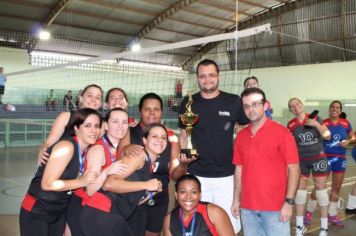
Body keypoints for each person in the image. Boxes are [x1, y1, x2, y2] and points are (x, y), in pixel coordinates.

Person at [178, 59, 249, 233]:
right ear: (197, 78)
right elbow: (183, 134)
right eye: (203, 76)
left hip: (226, 176)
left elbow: (245, 128)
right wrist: (185, 159)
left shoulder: (233, 101)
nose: (207, 79)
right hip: (196, 174)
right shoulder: (188, 102)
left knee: (230, 225)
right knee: (198, 225)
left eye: (211, 75)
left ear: (218, 76)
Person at [19, 108, 102, 236]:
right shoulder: (66, 146)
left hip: (58, 211)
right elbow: (47, 184)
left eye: (97, 126)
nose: (94, 130)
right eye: (87, 125)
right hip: (37, 210)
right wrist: (81, 181)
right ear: (76, 128)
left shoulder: (84, 150)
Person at [231, 87, 300, 236]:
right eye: (247, 106)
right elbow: (239, 169)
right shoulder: (241, 137)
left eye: (255, 104)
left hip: (276, 209)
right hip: (248, 209)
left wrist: (289, 202)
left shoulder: (282, 133)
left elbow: (294, 168)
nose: (251, 109)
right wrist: (236, 199)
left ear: (265, 105)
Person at [119, 93, 190, 236]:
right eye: (147, 109)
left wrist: (183, 165)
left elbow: (174, 174)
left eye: (156, 109)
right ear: (140, 111)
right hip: (133, 196)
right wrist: (127, 149)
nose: (152, 113)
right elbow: (121, 154)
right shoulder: (129, 130)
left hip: (158, 197)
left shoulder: (170, 138)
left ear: (161, 112)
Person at [79, 123, 167, 236]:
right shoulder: (139, 155)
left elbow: (132, 199)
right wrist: (146, 185)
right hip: (101, 212)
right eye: (154, 136)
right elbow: (109, 184)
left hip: (106, 214)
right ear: (144, 140)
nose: (160, 140)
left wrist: (150, 193)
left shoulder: (148, 164)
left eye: (163, 137)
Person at [67, 108, 129, 236]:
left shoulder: (120, 148)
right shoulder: (98, 150)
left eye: (124, 122)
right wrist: (106, 172)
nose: (120, 126)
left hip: (101, 208)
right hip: (84, 208)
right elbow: (90, 189)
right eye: (115, 122)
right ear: (105, 125)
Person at [305, 101, 354, 226]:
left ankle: (332, 214)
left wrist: (348, 141)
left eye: (337, 107)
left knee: (336, 188)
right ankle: (308, 212)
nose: (334, 109)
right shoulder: (323, 123)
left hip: (340, 159)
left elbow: (353, 137)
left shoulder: (346, 123)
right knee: (319, 187)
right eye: (332, 107)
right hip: (325, 158)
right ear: (329, 109)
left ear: (340, 110)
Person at [287, 98, 331, 236]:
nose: (296, 107)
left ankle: (324, 228)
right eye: (292, 106)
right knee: (300, 194)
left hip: (319, 159)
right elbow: (290, 144)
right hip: (302, 162)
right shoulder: (291, 124)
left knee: (321, 193)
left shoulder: (316, 118)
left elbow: (328, 137)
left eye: (297, 104)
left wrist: (316, 124)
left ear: (302, 105)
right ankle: (300, 227)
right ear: (291, 110)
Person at [38, 84, 103, 166]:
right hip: (60, 166)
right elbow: (49, 142)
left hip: (82, 170)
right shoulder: (66, 117)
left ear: (100, 103)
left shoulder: (101, 124)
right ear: (81, 98)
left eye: (97, 97)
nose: (93, 99)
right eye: (90, 96)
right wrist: (43, 149)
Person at [163, 174, 235, 236]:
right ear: (176, 195)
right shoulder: (169, 219)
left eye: (194, 192)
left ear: (200, 195)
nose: (188, 196)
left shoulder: (214, 213)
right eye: (183, 192)